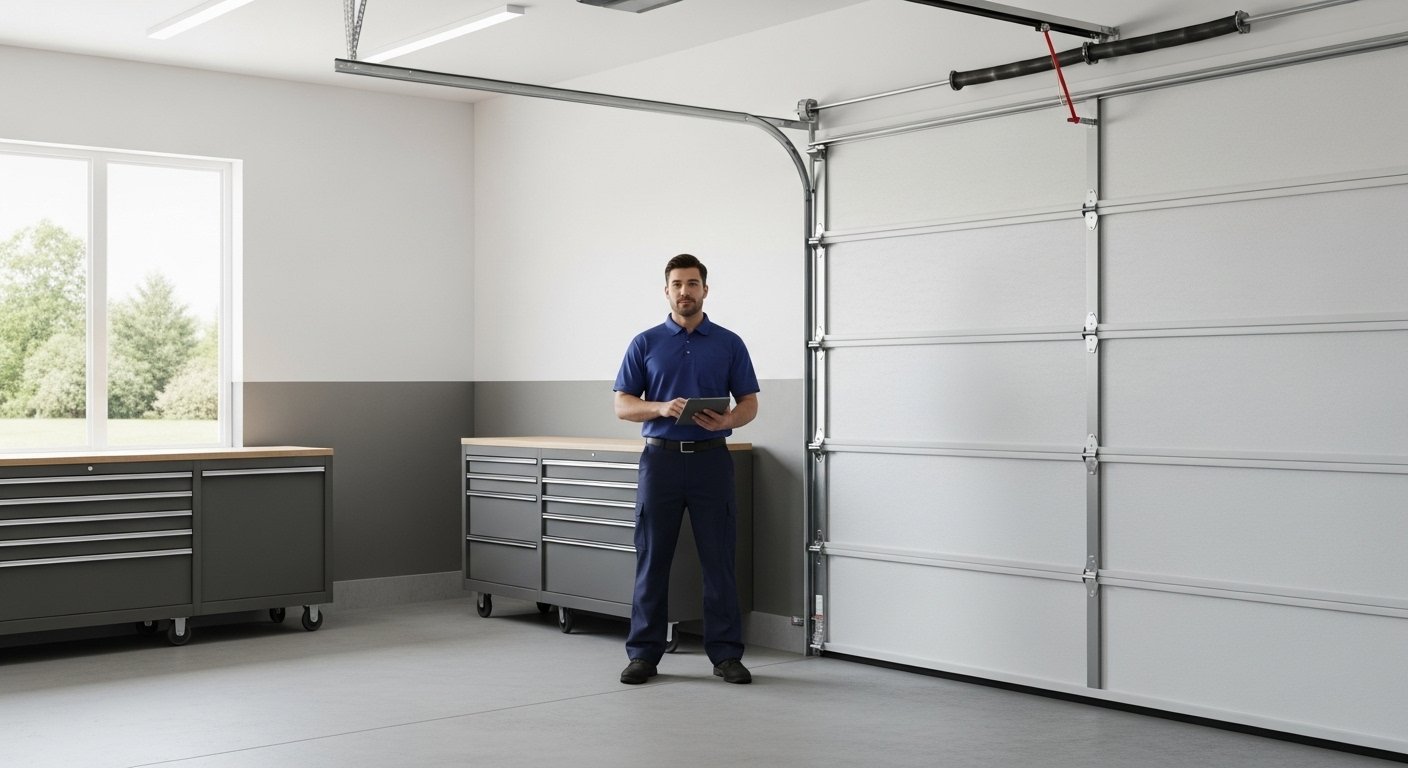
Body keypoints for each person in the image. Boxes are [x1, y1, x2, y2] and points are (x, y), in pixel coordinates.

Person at [613, 253, 759, 685]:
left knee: (719, 560)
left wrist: (729, 420)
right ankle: (643, 654)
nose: (685, 291)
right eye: (677, 284)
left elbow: (749, 402)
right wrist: (660, 406)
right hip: (659, 461)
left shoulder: (729, 343)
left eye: (692, 284)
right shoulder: (645, 343)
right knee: (652, 559)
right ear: (666, 291)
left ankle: (726, 656)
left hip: (713, 460)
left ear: (704, 290)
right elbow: (622, 405)